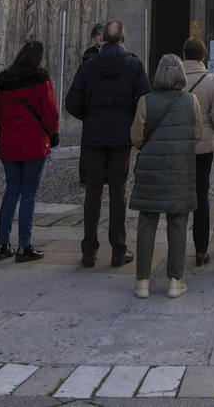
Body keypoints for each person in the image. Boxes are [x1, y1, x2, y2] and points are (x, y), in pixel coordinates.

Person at [65, 20, 151, 269]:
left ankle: (89, 251)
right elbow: (145, 100)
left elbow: (72, 102)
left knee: (92, 192)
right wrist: (130, 120)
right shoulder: (133, 64)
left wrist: (90, 118)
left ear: (103, 39)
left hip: (93, 137)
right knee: (118, 192)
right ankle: (118, 249)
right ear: (123, 40)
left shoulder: (89, 65)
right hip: (120, 138)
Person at [130, 53, 202, 300]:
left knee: (147, 224)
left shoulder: (145, 101)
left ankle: (142, 281)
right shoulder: (191, 101)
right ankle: (174, 279)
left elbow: (136, 137)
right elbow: (196, 135)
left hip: (151, 168)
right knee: (178, 223)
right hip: (179, 168)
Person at [0, 39, 59, 262]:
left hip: (9, 144)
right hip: (33, 144)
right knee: (28, 193)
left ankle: (2, 244)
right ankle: (24, 246)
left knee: (11, 191)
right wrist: (53, 132)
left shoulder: (5, 82)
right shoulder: (41, 81)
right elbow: (50, 113)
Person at [181, 38, 214, 266]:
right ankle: (201, 249)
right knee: (202, 194)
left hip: (178, 146)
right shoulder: (211, 80)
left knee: (179, 194)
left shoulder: (175, 78)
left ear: (184, 55)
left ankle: (177, 245)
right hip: (203, 145)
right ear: (203, 56)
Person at [77, 24, 105, 186]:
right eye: (98, 35)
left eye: (103, 35)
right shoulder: (89, 54)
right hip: (91, 103)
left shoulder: (111, 54)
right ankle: (85, 175)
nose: (100, 37)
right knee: (87, 142)